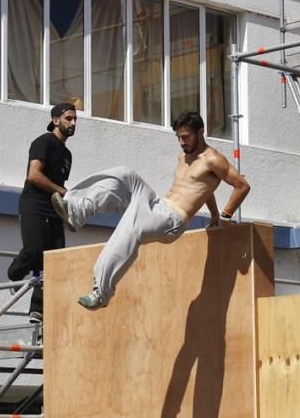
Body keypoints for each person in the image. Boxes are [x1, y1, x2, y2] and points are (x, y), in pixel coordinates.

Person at [53, 111, 251, 310]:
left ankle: (101, 294)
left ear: (200, 132)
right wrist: (214, 214)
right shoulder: (183, 157)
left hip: (173, 220)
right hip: (158, 206)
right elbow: (205, 188)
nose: (182, 143)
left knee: (132, 226)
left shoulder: (213, 159)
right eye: (178, 138)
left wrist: (225, 216)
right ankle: (77, 210)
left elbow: (242, 186)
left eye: (186, 137)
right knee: (125, 174)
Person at [7, 102, 76, 323]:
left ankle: (37, 310)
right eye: (68, 118)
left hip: (54, 209)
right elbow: (34, 176)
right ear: (56, 120)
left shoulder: (67, 155)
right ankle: (14, 275)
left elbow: (59, 190)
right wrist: (63, 191)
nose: (73, 123)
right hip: (34, 204)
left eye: (75, 119)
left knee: (55, 260)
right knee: (34, 250)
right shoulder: (43, 142)